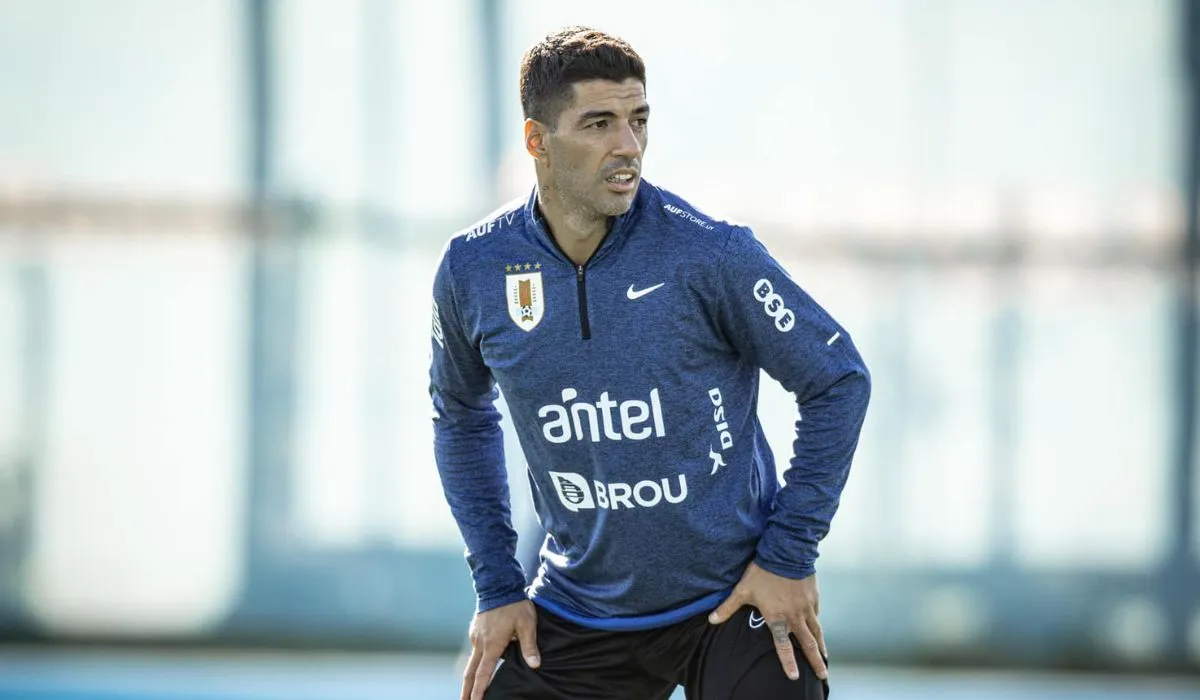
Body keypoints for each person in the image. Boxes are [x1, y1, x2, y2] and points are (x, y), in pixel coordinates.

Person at [429, 26, 871, 700]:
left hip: (733, 604)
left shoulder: (709, 254)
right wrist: (497, 585)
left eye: (638, 121)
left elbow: (838, 377)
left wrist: (788, 554)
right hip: (578, 610)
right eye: (599, 123)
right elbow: (459, 414)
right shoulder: (473, 269)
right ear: (536, 140)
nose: (627, 147)